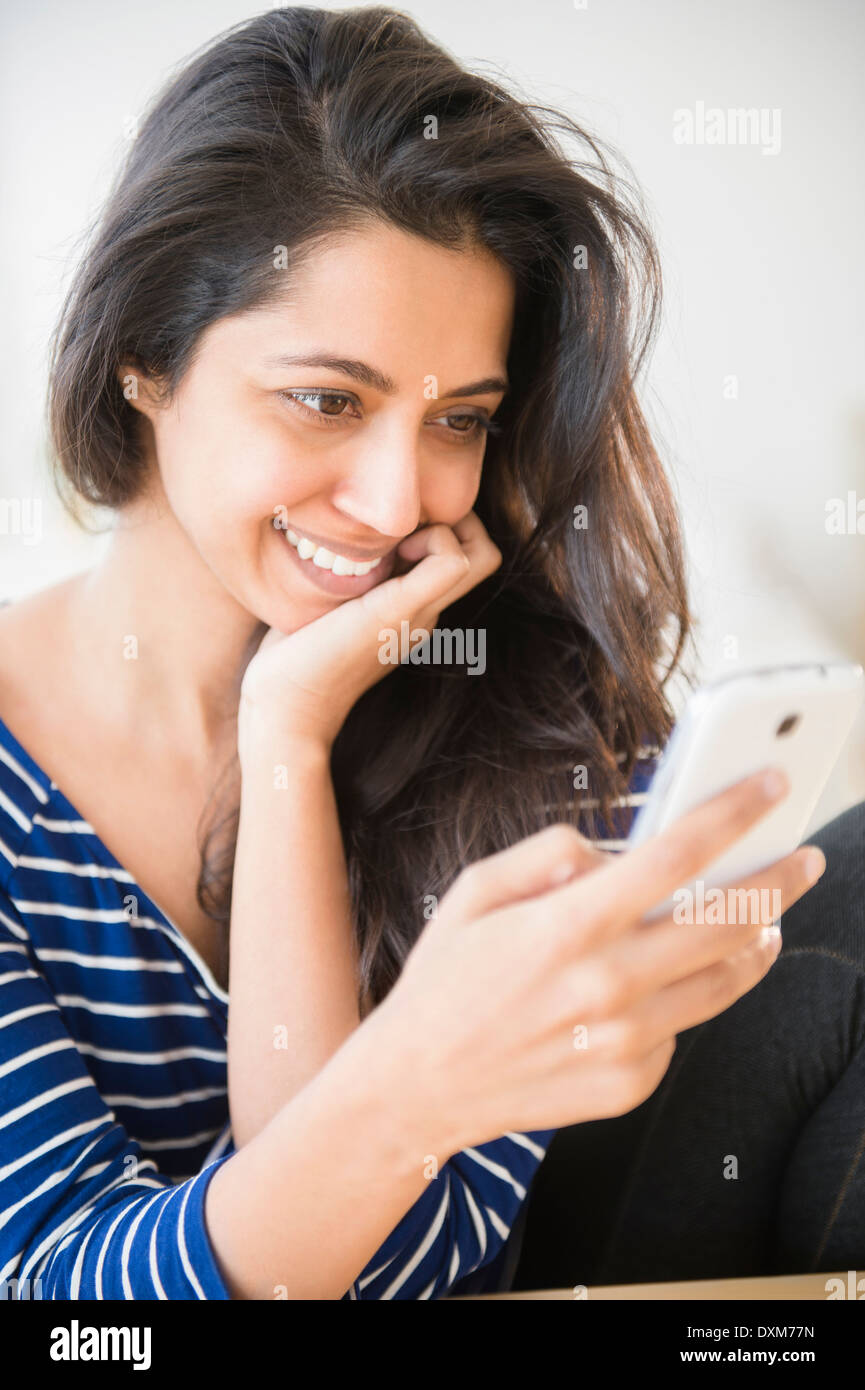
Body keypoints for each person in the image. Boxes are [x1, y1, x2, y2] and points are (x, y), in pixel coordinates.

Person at [0, 5, 837, 1301]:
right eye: (326, 399)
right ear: (141, 363)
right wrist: (405, 1081)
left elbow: (406, 1272)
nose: (400, 501)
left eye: (459, 418)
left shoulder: (537, 720)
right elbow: (66, 1307)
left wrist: (287, 733)